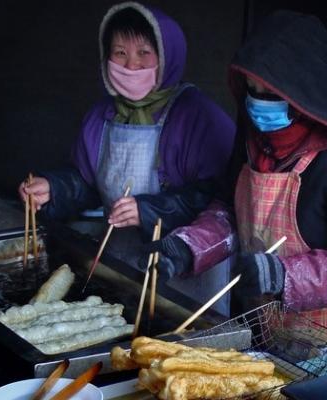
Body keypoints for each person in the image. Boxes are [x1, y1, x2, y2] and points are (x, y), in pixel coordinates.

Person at [144, 10, 327, 341]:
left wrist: (284, 275)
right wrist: (188, 248)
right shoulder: (254, 133)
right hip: (269, 330)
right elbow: (230, 212)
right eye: (252, 90)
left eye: (271, 94)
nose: (257, 104)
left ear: (306, 92)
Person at [18, 3, 235, 259]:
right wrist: (55, 189)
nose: (131, 65)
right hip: (122, 255)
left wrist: (150, 211)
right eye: (120, 53)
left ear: (167, 56)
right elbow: (90, 184)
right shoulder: (101, 114)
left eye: (144, 52)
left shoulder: (199, 117)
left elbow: (220, 198)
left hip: (186, 266)